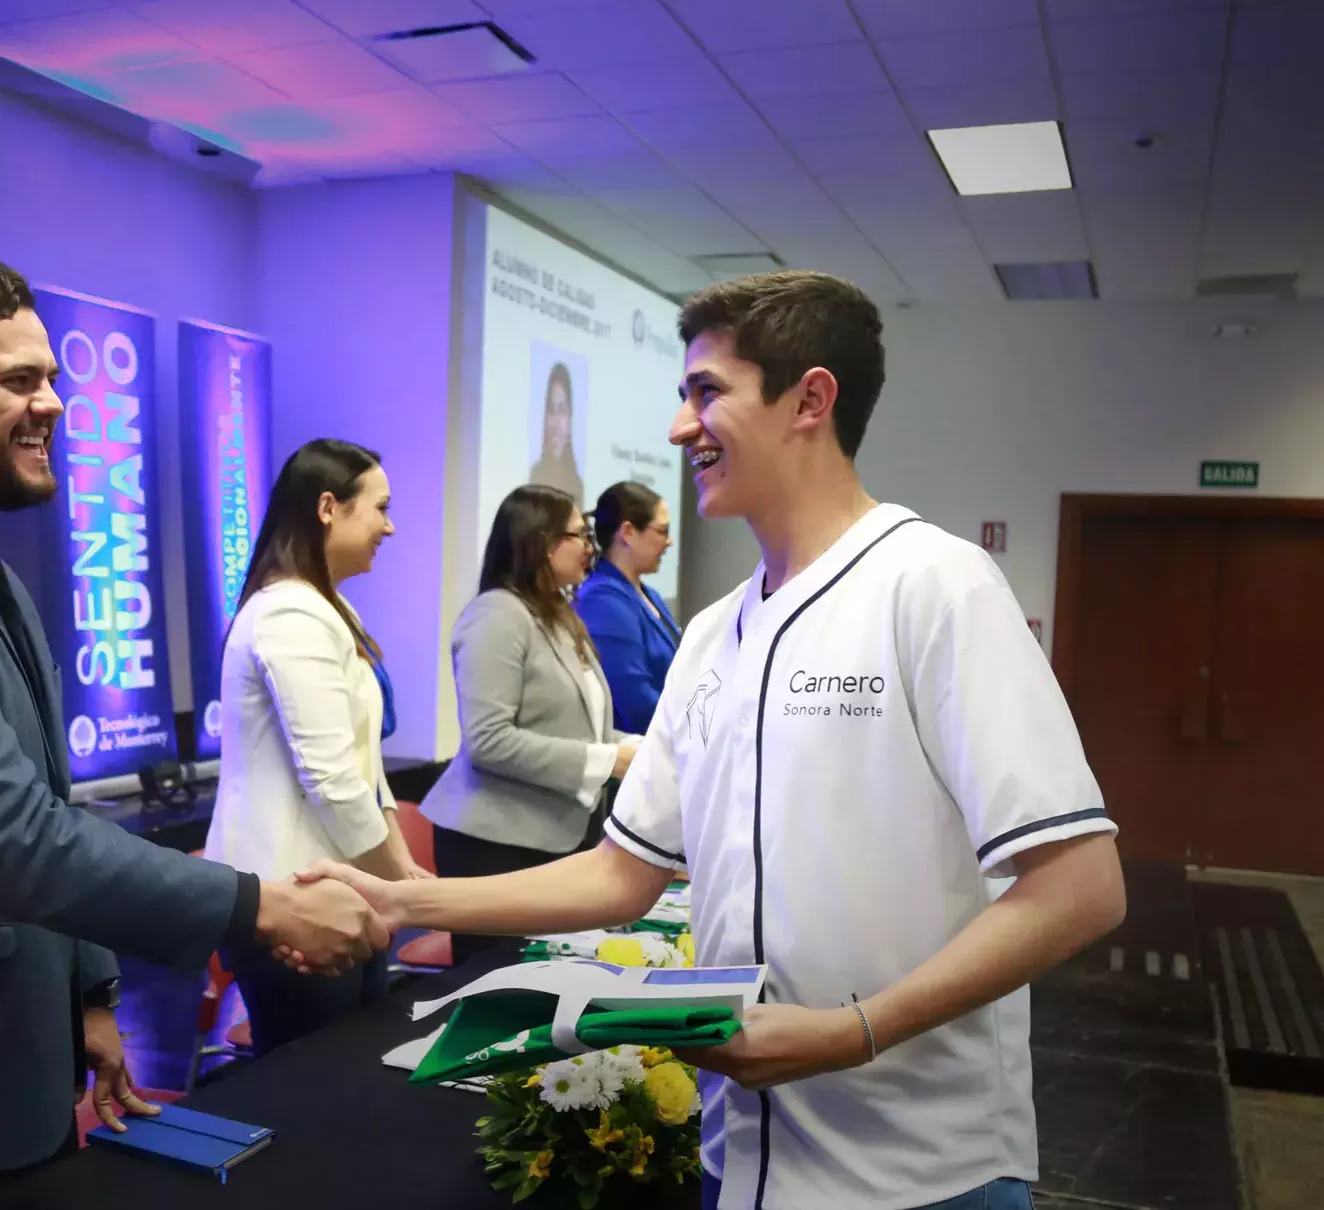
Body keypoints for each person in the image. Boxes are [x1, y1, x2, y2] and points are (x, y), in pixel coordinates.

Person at [294, 271, 1127, 1210]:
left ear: (811, 399)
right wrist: (408, 900)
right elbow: (623, 875)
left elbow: (1080, 887)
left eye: (707, 393)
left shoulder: (936, 587)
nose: (680, 428)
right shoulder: (713, 633)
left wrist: (850, 1032)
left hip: (921, 1172)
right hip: (742, 1159)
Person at [0, 256, 386, 1209]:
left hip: (2, 1058)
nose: (53, 404)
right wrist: (265, 908)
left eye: (52, 377)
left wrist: (86, 994)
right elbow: (10, 838)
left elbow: (40, 796)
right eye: (17, 381)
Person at [202, 438, 428, 1055]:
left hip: (341, 885)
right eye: (379, 507)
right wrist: (402, 885)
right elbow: (330, 778)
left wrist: (399, 869)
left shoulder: (328, 607)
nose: (390, 525)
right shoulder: (289, 614)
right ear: (329, 506)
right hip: (290, 891)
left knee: (354, 1062)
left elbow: (364, 766)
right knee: (316, 1076)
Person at [419, 484, 639, 963]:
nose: (591, 548)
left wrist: (641, 749)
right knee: (500, 995)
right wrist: (608, 760)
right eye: (579, 536)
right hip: (494, 846)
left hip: (552, 840)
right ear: (540, 541)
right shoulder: (497, 615)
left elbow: (584, 728)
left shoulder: (558, 614)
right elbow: (489, 740)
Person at [575, 481, 682, 734]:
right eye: (662, 531)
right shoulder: (601, 601)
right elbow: (635, 703)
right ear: (628, 533)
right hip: (634, 760)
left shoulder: (650, 595)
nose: (669, 542)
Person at [528, 361, 584, 502]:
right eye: (551, 410)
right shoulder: (535, 474)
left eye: (562, 410)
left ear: (570, 418)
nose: (556, 423)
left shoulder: (577, 483)